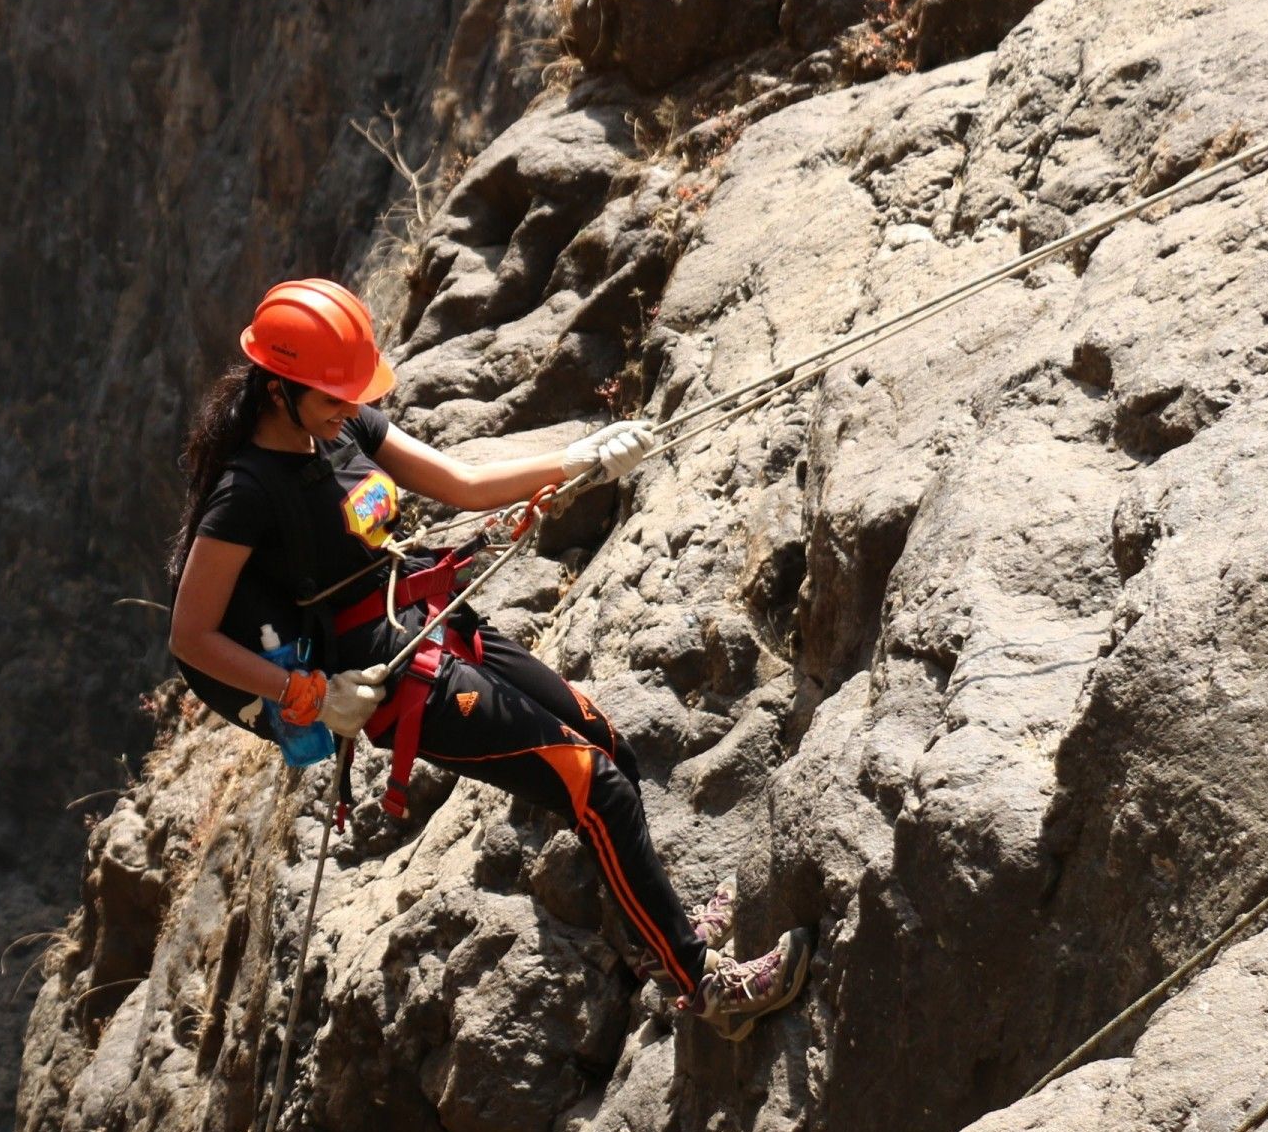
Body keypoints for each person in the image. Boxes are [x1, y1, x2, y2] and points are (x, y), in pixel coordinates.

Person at [166, 277, 812, 1038]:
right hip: (388, 678)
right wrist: (306, 694)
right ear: (278, 389)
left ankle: (654, 940)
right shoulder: (245, 493)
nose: (349, 412)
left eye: (350, 398)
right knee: (593, 786)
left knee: (607, 744)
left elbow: (464, 484)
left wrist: (578, 459)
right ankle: (705, 988)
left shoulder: (338, 425)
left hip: (430, 618)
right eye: (334, 398)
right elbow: (192, 634)